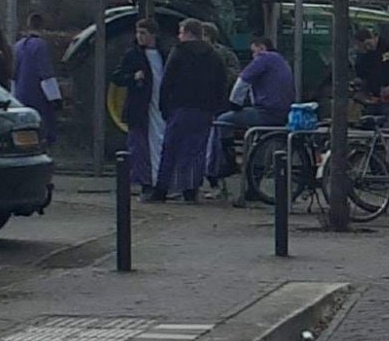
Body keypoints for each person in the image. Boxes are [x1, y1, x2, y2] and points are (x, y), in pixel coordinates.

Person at [153, 19, 226, 203]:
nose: (179, 36)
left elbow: (167, 81)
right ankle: (190, 190)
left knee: (171, 149)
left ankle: (162, 189)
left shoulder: (179, 52)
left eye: (180, 32)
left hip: (179, 107)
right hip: (203, 110)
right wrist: (215, 107)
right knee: (196, 151)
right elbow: (221, 83)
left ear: (187, 33)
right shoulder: (214, 55)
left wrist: (164, 106)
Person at [208, 37, 295, 183]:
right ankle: (254, 184)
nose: (253, 56)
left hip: (266, 111)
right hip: (282, 113)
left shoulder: (264, 58)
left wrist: (235, 103)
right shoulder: (281, 61)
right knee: (260, 144)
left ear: (261, 48)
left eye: (253, 52)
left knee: (223, 120)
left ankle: (228, 162)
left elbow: (243, 80)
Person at [111, 17, 169, 198]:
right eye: (138, 33)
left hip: (160, 106)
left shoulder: (164, 54)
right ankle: (145, 183)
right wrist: (133, 77)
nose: (140, 37)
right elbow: (117, 76)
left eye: (143, 33)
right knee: (140, 147)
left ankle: (161, 182)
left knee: (160, 143)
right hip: (140, 107)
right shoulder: (132, 54)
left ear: (153, 35)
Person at [12, 13, 63, 144]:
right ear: (42, 25)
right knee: (43, 127)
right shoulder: (41, 46)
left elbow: (13, 73)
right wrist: (55, 98)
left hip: (20, 93)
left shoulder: (18, 46)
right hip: (38, 95)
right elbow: (45, 73)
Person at [353, 27, 389, 128]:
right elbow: (364, 73)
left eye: (367, 44)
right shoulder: (365, 55)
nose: (368, 48)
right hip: (374, 97)